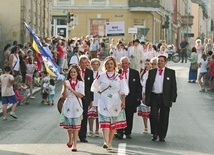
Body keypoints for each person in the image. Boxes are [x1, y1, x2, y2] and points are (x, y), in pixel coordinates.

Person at [91, 56, 129, 150]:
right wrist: (100, 92)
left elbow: (123, 89)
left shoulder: (119, 76)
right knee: (105, 122)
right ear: (105, 65)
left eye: (111, 63)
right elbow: (94, 86)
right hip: (104, 100)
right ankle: (105, 141)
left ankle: (110, 142)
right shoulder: (101, 76)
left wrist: (123, 101)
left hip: (115, 101)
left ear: (114, 65)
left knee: (113, 123)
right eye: (107, 64)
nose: (109, 65)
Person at [145, 55, 177, 142]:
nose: (159, 62)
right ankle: (154, 133)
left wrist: (172, 98)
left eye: (161, 61)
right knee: (153, 115)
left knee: (164, 117)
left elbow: (173, 86)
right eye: (158, 61)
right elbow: (148, 85)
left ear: (165, 63)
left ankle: (162, 135)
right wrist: (146, 97)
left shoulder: (170, 72)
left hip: (165, 97)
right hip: (154, 96)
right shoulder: (152, 72)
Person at [115, 57, 142, 139]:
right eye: (122, 63)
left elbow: (138, 86)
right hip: (119, 97)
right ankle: (119, 132)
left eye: (126, 63)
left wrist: (138, 97)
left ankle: (128, 132)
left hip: (131, 97)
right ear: (120, 64)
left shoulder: (135, 73)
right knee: (119, 115)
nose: (124, 65)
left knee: (129, 115)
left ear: (129, 64)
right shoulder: (116, 73)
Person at [59, 66, 84, 152]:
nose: (73, 74)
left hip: (77, 104)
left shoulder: (80, 83)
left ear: (77, 74)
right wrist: (66, 87)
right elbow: (64, 96)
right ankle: (70, 139)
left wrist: (72, 90)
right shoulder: (66, 82)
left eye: (74, 72)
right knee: (69, 126)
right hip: (68, 104)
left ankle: (75, 144)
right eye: (71, 72)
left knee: (76, 126)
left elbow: (81, 95)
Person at [78, 55, 94, 143]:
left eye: (85, 63)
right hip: (77, 98)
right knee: (75, 116)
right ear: (79, 63)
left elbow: (91, 87)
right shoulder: (75, 71)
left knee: (84, 116)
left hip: (86, 98)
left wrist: (91, 100)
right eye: (82, 63)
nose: (84, 64)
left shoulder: (90, 72)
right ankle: (75, 134)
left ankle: (82, 136)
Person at [88, 58, 101, 137]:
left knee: (98, 115)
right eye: (94, 64)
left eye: (97, 64)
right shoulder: (89, 73)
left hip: (99, 95)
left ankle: (97, 130)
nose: (95, 66)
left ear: (99, 65)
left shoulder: (102, 74)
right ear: (91, 65)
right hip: (92, 95)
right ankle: (90, 129)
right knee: (91, 115)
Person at [138, 60, 151, 134]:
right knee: (144, 113)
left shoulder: (151, 73)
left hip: (149, 94)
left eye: (148, 64)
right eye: (145, 64)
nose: (146, 66)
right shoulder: (143, 74)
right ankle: (145, 126)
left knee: (151, 112)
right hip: (143, 93)